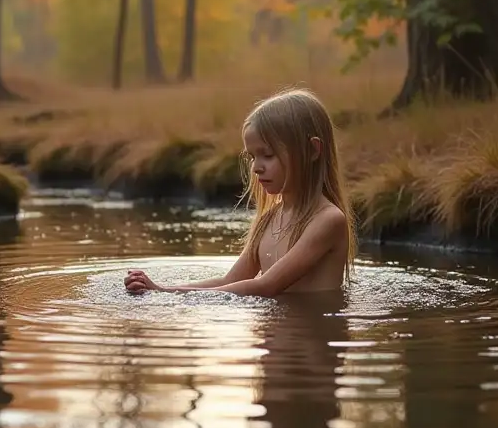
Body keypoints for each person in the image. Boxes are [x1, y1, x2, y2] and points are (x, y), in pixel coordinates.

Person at [124, 87, 356, 297]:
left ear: (313, 151)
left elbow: (266, 286)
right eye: (253, 157)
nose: (256, 167)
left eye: (268, 154)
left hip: (308, 338)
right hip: (274, 340)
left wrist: (164, 292)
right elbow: (231, 280)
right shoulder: (269, 218)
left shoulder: (328, 220)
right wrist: (161, 289)